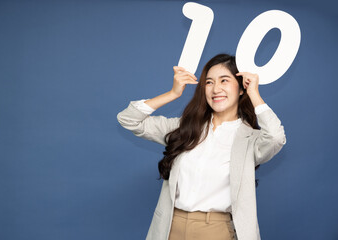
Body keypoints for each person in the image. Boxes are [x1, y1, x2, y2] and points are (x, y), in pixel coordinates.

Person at [117, 53, 286, 240]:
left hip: (215, 230)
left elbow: (276, 138)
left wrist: (254, 93)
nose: (216, 89)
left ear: (241, 88)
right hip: (170, 227)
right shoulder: (185, 128)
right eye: (209, 82)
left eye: (224, 80)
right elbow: (128, 120)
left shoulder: (250, 139)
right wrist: (172, 93)